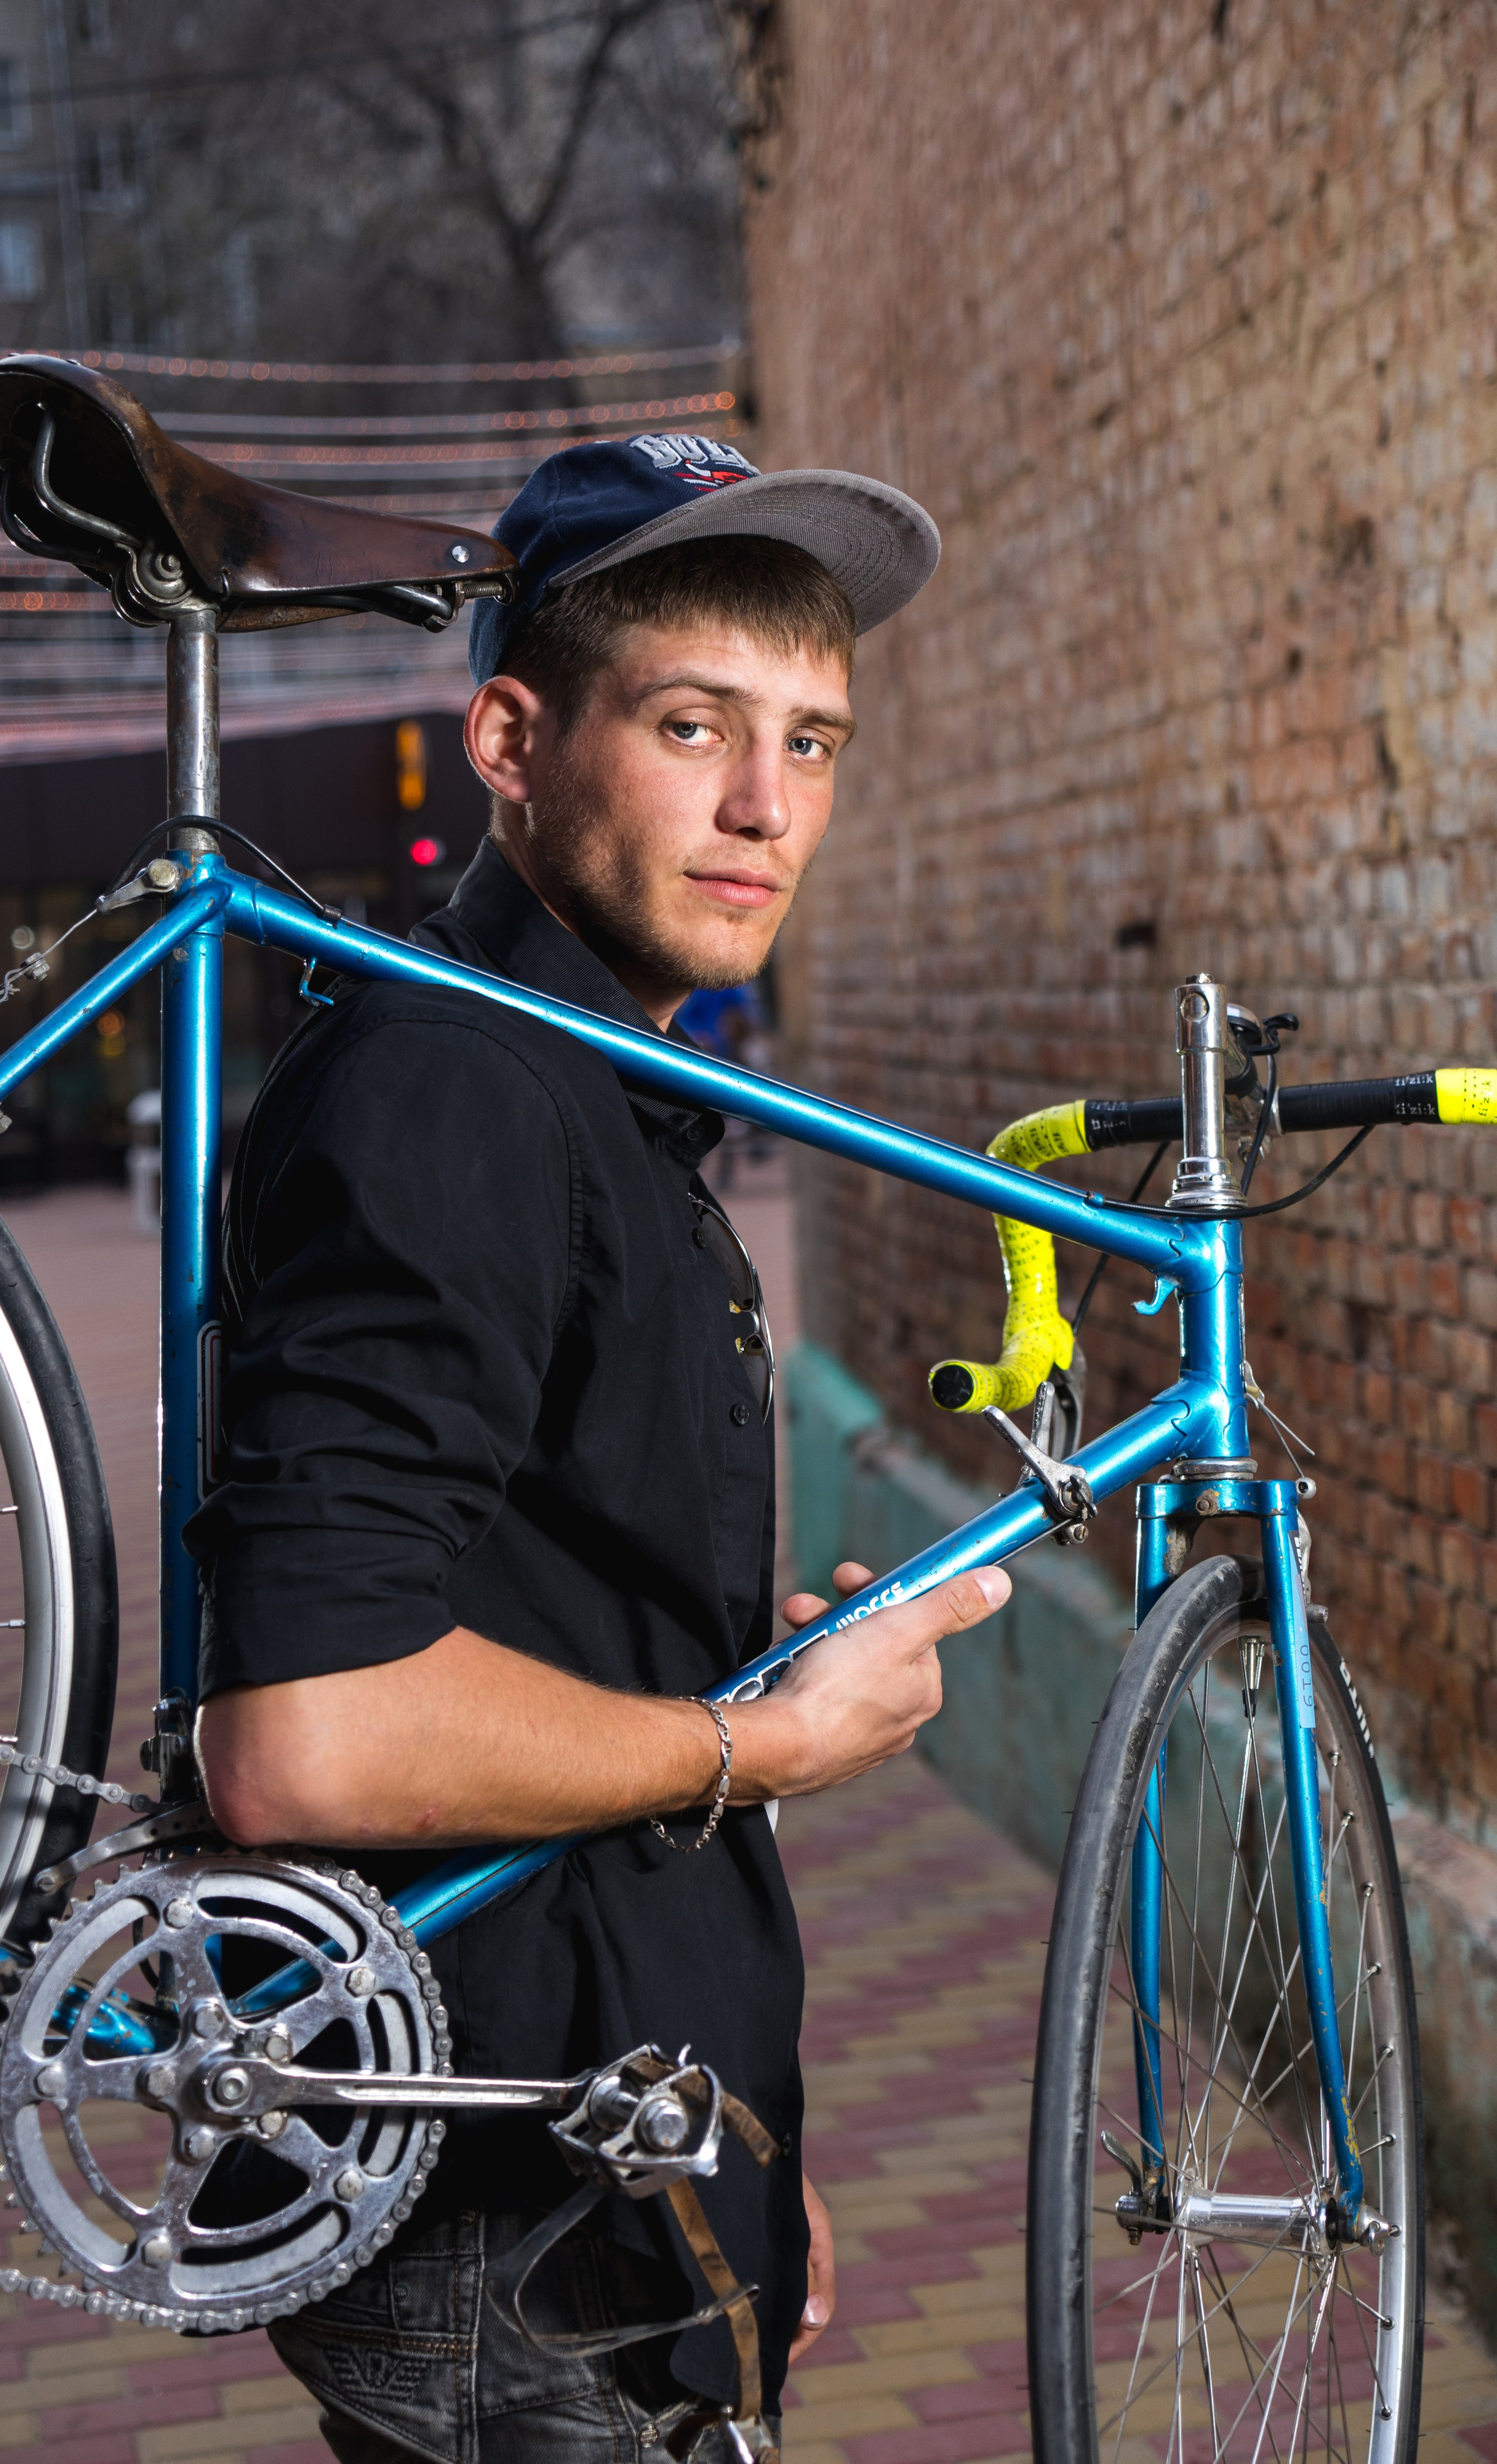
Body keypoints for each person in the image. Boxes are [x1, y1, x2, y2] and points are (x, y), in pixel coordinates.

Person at [191, 431, 1012, 2463]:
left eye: (813, 743)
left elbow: (533, 1625)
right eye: (691, 725)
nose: (766, 807)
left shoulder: (586, 1086)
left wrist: (729, 2141)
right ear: (510, 737)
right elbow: (310, 1731)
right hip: (503, 2230)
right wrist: (768, 1746)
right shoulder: (453, 1091)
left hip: (602, 2163)